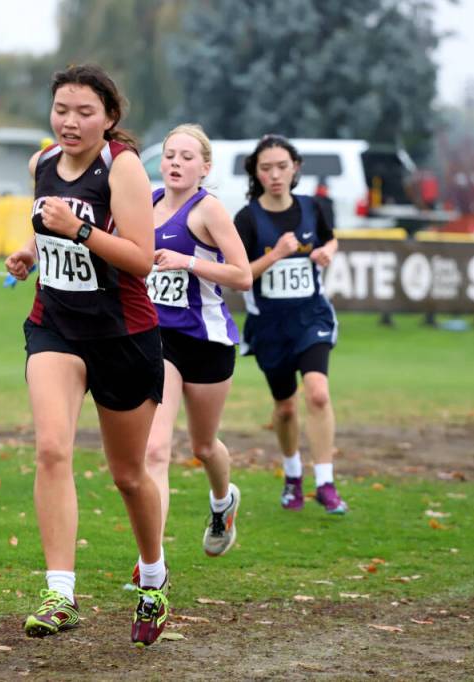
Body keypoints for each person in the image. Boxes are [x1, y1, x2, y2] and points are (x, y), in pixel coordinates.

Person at [4, 64, 169, 647]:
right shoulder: (42, 163)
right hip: (56, 327)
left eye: (84, 113)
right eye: (61, 110)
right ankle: (59, 592)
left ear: (110, 118)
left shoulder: (121, 167)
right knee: (51, 449)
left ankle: (153, 577)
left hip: (123, 336)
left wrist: (78, 232)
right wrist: (29, 251)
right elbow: (46, 224)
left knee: (128, 475)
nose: (70, 122)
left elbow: (142, 258)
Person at [143, 124, 252, 560]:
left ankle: (223, 502)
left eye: (187, 157)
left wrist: (187, 261)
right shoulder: (146, 205)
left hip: (207, 341)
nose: (175, 163)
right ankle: (151, 562)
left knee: (204, 446)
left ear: (204, 167)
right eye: (170, 155)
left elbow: (242, 275)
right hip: (160, 340)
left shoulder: (209, 210)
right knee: (155, 448)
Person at [234, 134, 348, 515]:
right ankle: (293, 474)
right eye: (266, 168)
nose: (275, 174)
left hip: (310, 316)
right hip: (270, 325)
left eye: (282, 166)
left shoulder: (313, 207)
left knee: (317, 393)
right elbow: (238, 274)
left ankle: (327, 483)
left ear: (295, 168)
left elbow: (332, 241)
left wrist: (325, 253)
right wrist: (277, 255)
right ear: (256, 172)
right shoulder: (247, 219)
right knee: (285, 408)